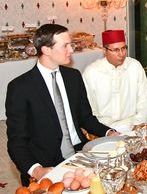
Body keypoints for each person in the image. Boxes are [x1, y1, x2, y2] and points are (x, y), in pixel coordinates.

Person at [6, 24, 117, 186]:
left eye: (71, 45)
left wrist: (109, 132)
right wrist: (36, 170)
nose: (71, 50)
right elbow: (16, 141)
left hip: (80, 152)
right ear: (46, 50)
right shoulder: (21, 87)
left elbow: (85, 118)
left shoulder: (73, 77)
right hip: (45, 163)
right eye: (65, 46)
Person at [83, 30, 147, 130]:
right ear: (104, 50)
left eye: (124, 48)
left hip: (133, 125)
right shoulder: (92, 72)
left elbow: (145, 100)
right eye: (116, 50)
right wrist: (105, 131)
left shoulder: (134, 66)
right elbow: (90, 108)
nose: (121, 54)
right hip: (104, 128)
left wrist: (138, 125)